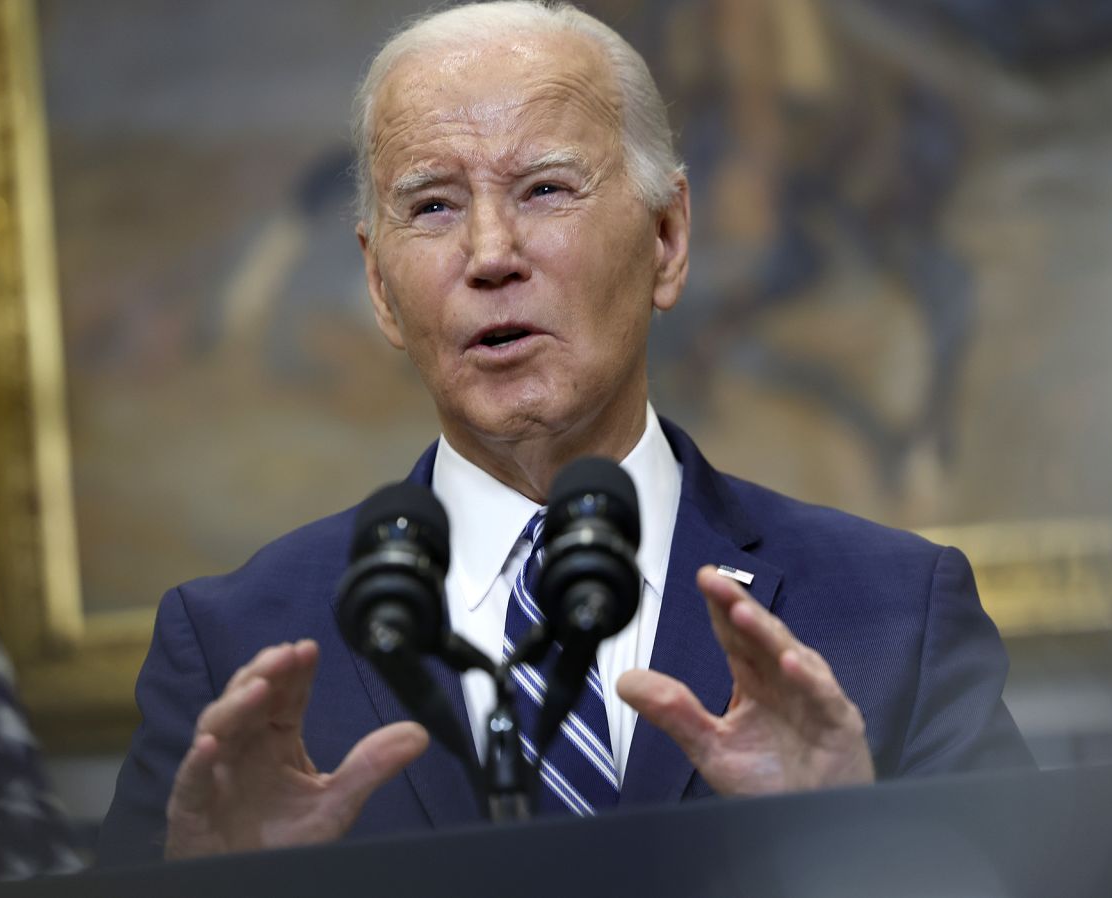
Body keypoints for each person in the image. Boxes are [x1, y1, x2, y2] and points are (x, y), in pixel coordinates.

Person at [97, 0, 1030, 867]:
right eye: (432, 206)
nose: (491, 254)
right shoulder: (232, 650)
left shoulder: (896, 616)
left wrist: (856, 840)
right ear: (379, 288)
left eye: (545, 189)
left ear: (666, 238)